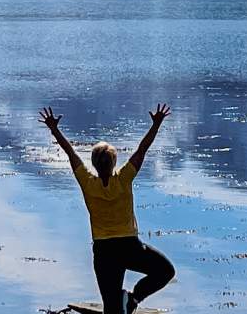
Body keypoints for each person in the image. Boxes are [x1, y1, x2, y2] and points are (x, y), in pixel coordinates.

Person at [40, 103, 176, 313]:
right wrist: (156, 124)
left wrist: (54, 129)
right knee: (165, 271)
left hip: (104, 252)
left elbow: (70, 153)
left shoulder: (87, 182)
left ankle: (125, 302)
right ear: (114, 163)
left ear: (93, 163)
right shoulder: (123, 178)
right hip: (129, 247)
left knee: (112, 309)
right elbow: (142, 150)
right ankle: (132, 299)